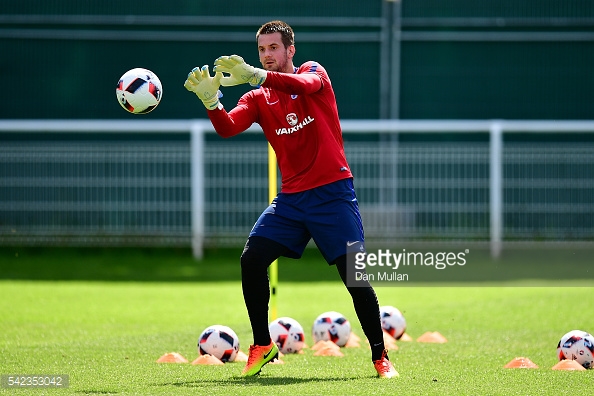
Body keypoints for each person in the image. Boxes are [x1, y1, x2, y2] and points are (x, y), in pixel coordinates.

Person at [183, 20, 397, 379]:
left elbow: (307, 83)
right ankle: (263, 345)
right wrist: (211, 100)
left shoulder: (313, 72)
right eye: (261, 50)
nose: (267, 56)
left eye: (273, 48)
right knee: (252, 260)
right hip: (292, 200)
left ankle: (380, 357)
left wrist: (255, 75)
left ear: (290, 50)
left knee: (355, 277)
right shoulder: (256, 96)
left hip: (333, 194)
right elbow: (227, 127)